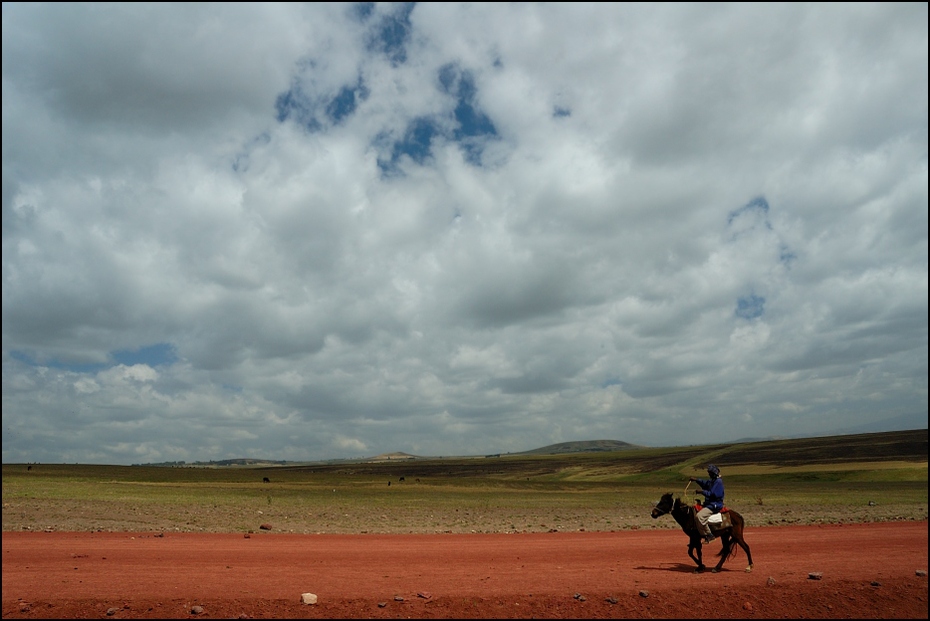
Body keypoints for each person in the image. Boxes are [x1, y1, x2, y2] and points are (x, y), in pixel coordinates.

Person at [690, 464, 724, 544]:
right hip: (709, 503)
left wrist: (702, 492)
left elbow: (713, 494)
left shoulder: (718, 482)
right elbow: (705, 484)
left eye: (710, 473)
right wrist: (696, 480)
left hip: (714, 505)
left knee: (699, 516)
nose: (709, 474)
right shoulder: (713, 481)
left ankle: (709, 534)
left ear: (713, 473)